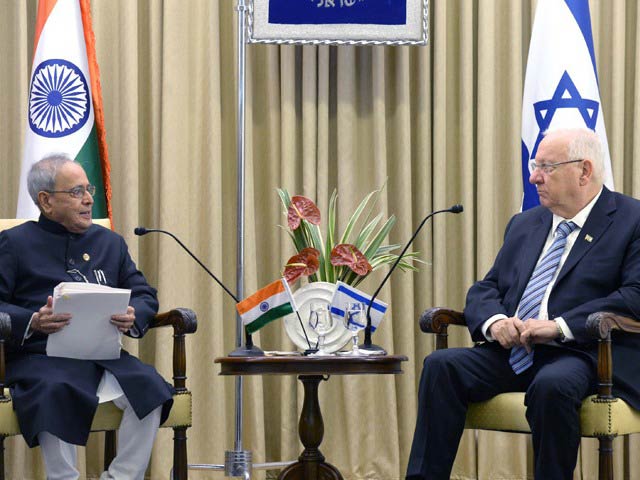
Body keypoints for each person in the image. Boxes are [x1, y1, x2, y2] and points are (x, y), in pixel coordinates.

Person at [406, 128, 640, 480]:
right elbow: (487, 287)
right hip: (517, 350)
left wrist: (559, 326)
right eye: (535, 165)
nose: (533, 177)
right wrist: (496, 321)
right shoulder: (525, 223)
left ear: (584, 171)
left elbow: (634, 296)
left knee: (552, 385)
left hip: (585, 353)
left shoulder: (630, 219)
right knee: (442, 365)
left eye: (546, 166)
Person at [0, 154, 174, 480]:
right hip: (40, 358)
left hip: (102, 358)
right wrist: (31, 320)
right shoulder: (14, 243)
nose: (90, 199)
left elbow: (144, 293)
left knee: (151, 388)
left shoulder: (109, 243)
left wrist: (135, 313)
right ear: (46, 201)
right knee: (53, 391)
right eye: (77, 191)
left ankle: (120, 477)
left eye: (88, 189)